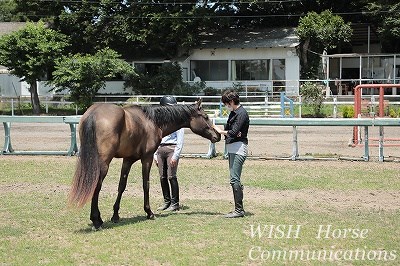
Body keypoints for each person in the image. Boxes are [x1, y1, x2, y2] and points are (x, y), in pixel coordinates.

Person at [213, 90, 249, 218]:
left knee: (234, 179)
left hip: (239, 148)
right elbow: (234, 132)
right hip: (233, 148)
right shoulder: (234, 113)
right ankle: (238, 203)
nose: (225, 105)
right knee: (234, 179)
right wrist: (230, 132)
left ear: (232, 102)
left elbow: (233, 132)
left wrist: (220, 131)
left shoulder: (241, 113)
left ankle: (239, 210)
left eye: (226, 103)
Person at [154, 95, 184, 211]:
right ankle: (166, 201)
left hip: (172, 148)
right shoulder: (158, 121)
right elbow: (154, 138)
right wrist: (155, 154)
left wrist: (176, 155)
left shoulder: (177, 121)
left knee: (171, 176)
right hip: (160, 149)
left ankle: (175, 203)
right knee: (162, 177)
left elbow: (180, 140)